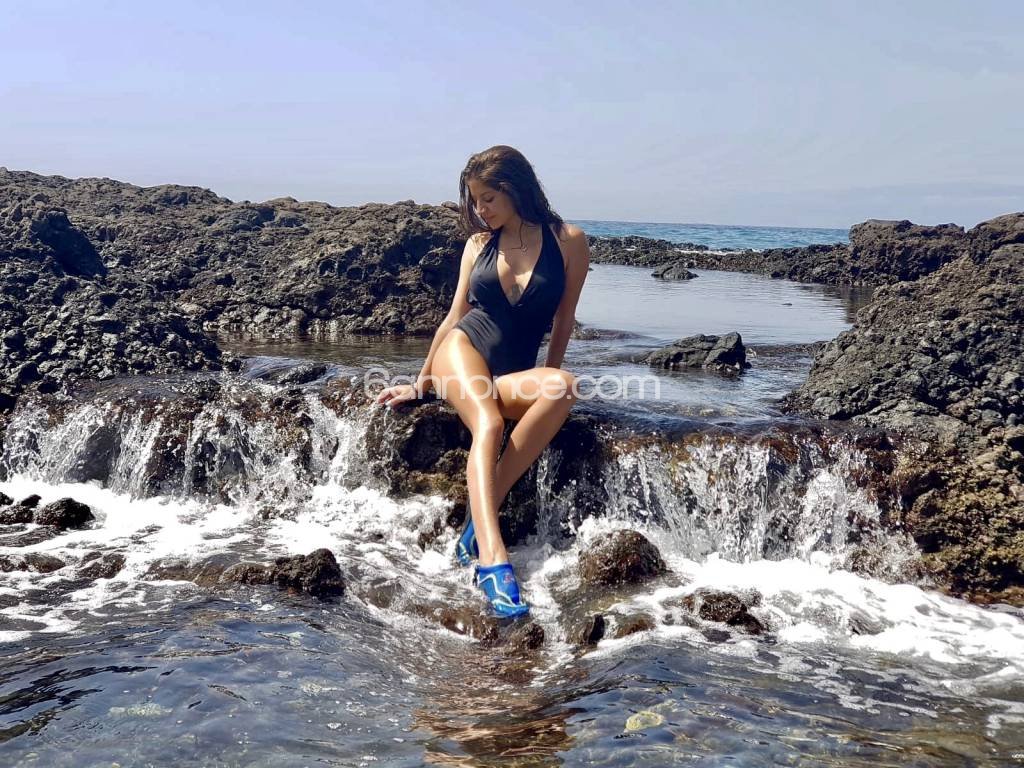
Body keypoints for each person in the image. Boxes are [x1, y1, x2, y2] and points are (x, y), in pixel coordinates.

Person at [375, 145, 590, 618]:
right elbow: (455, 316)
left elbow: (564, 319)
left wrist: (547, 376)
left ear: (515, 190)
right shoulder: (477, 246)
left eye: (488, 198)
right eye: (474, 201)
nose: (480, 210)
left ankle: (477, 519)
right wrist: (420, 384)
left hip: (509, 373)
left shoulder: (568, 241)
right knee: (488, 425)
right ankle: (492, 561)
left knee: (564, 387)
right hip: (461, 352)